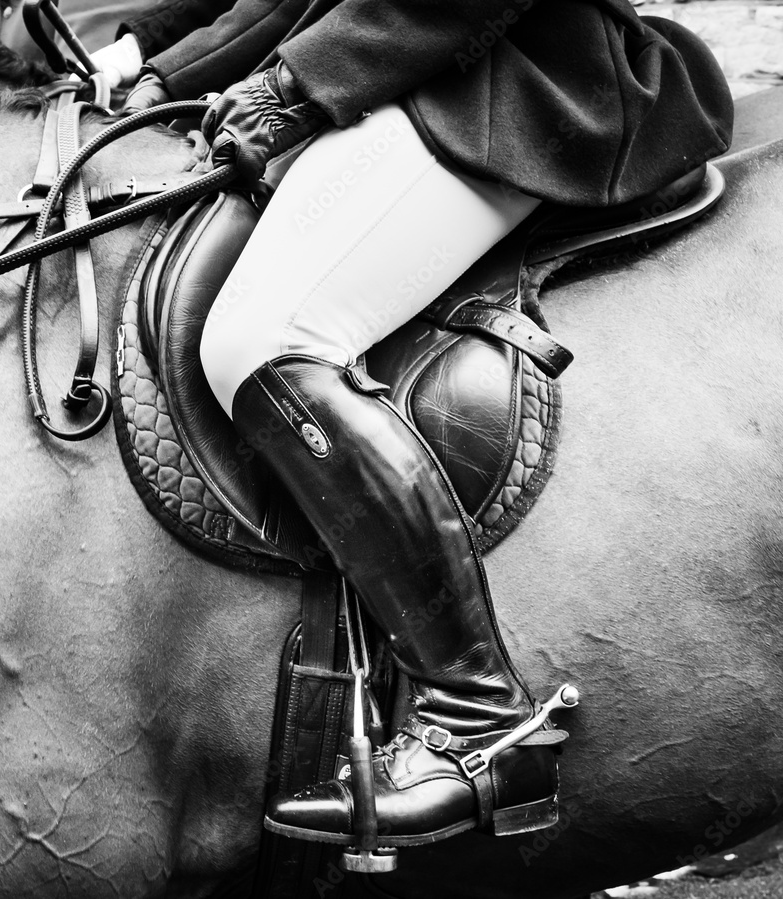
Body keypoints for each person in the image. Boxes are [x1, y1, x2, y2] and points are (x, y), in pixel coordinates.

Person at [92, 0, 733, 847]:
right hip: (392, 61)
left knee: (265, 337)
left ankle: (478, 713)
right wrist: (164, 60)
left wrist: (295, 85)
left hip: (516, 76)